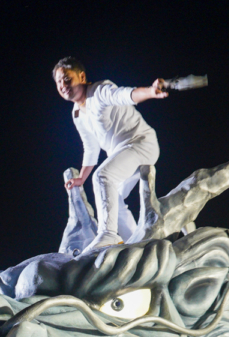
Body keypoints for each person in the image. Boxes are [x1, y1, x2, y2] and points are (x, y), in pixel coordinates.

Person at [53, 56, 168, 248]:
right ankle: (140, 244)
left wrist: (150, 91)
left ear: (81, 76)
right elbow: (90, 147)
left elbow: (125, 95)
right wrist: (81, 178)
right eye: (58, 82)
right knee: (113, 199)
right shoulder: (77, 114)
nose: (63, 85)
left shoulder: (99, 91)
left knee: (102, 176)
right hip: (123, 153)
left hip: (141, 144)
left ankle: (108, 233)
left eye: (67, 78)